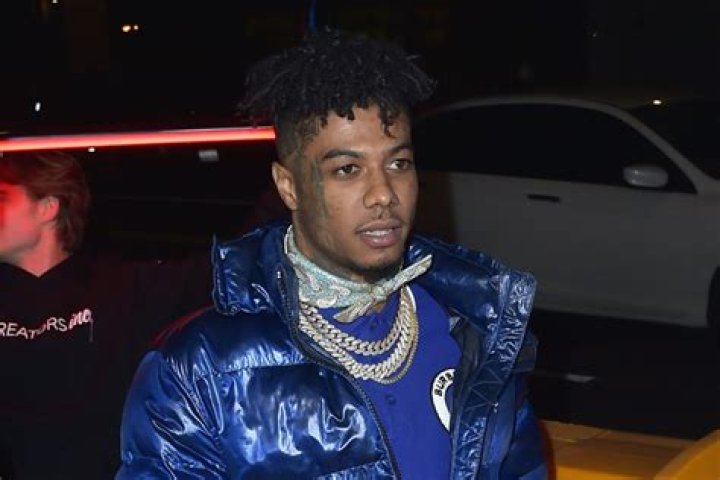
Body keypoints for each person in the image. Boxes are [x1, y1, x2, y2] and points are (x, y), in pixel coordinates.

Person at [117, 29, 547, 479]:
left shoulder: (475, 327)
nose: (384, 194)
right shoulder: (199, 370)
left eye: (398, 163)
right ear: (289, 187)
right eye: (347, 169)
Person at [0, 151, 212, 479]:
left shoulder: (122, 288)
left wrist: (291, 181)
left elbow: (223, 269)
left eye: (2, 197)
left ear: (48, 207)